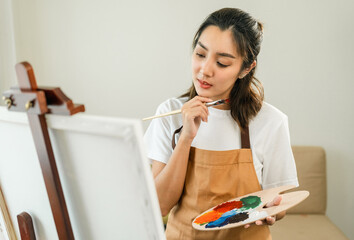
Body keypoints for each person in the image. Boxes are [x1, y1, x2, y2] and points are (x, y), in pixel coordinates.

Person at [144, 7, 298, 240]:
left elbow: (279, 203)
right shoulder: (169, 114)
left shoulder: (271, 121)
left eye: (223, 63)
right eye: (200, 54)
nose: (205, 70)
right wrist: (186, 137)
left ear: (246, 69)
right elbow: (160, 206)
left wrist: (273, 211)